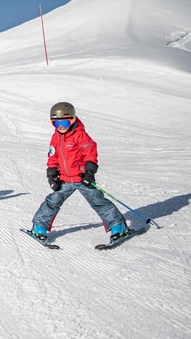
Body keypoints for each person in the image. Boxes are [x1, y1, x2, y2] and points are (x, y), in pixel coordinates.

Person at [27, 102, 129, 243]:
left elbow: (90, 153)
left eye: (64, 122)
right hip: (64, 179)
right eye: (56, 124)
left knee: (98, 202)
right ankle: (39, 228)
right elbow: (53, 156)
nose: (60, 126)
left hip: (82, 179)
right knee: (52, 202)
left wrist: (89, 172)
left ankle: (119, 227)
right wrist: (52, 175)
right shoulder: (56, 137)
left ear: (73, 120)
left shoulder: (80, 135)